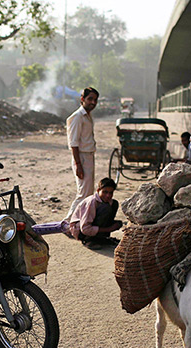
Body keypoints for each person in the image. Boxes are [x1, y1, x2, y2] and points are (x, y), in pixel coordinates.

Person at [64, 87, 98, 223]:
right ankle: (67, 222)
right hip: (81, 157)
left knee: (88, 193)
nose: (93, 102)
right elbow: (73, 143)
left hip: (88, 156)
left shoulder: (88, 116)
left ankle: (79, 221)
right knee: (83, 194)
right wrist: (78, 164)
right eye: (90, 99)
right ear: (82, 99)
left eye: (95, 100)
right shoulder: (77, 117)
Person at [69, 177, 122, 250]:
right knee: (105, 208)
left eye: (111, 193)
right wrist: (109, 229)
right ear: (98, 190)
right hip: (81, 231)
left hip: (92, 226)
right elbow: (85, 228)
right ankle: (89, 240)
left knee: (114, 204)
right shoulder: (92, 202)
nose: (108, 196)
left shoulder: (109, 202)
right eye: (105, 192)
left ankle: (102, 238)